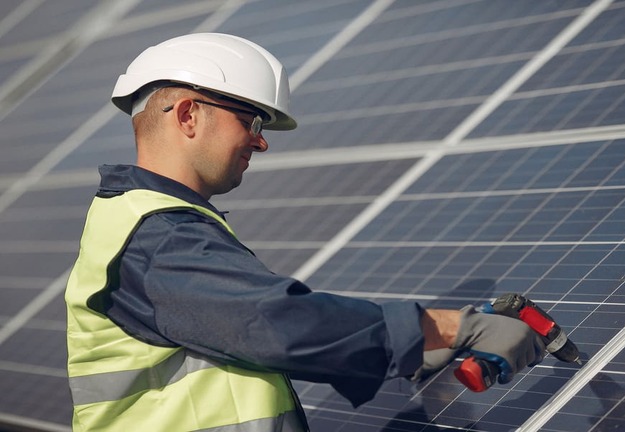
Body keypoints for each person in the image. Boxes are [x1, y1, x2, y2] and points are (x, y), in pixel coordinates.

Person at [64, 33, 545, 432]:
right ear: (188, 115)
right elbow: (275, 323)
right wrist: (451, 328)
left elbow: (244, 341)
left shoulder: (143, 219)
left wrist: (413, 348)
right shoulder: (160, 236)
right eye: (251, 120)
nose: (262, 140)